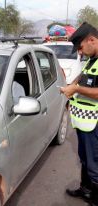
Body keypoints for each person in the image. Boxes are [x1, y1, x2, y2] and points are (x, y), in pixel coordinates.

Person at [60, 22, 98, 206]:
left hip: (95, 123)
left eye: (81, 47)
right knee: (85, 159)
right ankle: (86, 190)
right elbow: (83, 77)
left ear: (92, 40)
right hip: (85, 122)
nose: (80, 53)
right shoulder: (92, 59)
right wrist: (71, 85)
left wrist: (76, 88)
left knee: (95, 164)